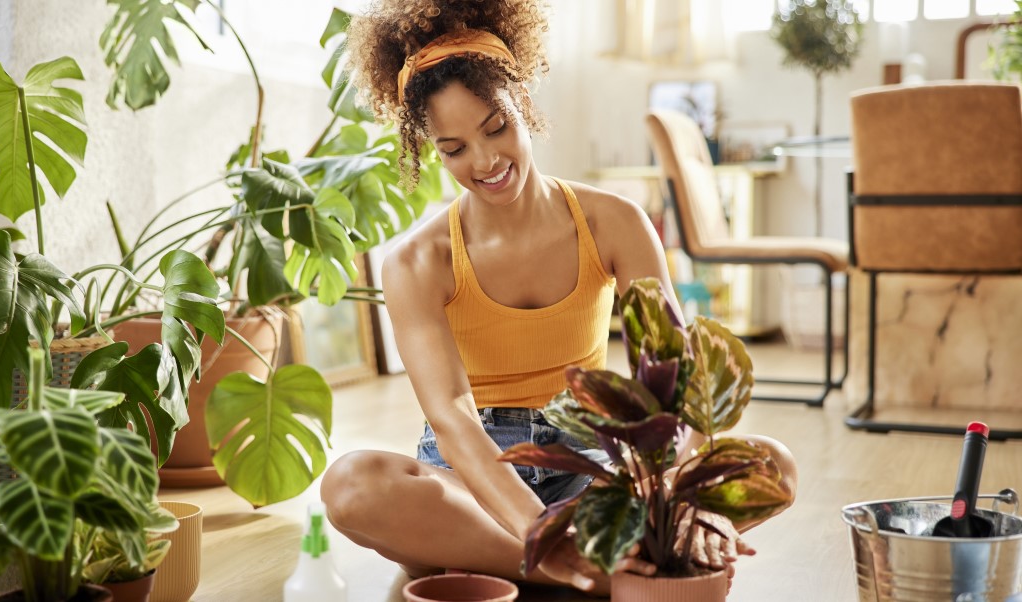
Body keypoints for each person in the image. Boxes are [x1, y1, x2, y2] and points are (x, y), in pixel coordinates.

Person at [320, 0, 797, 593]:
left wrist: (675, 496)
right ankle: (593, 569)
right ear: (430, 149)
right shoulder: (418, 262)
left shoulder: (614, 222)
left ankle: (502, 558)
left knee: (772, 463)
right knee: (352, 484)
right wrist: (541, 531)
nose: (486, 160)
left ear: (525, 103)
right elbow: (452, 420)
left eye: (496, 127)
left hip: (592, 465)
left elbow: (674, 380)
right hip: (474, 478)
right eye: (455, 149)